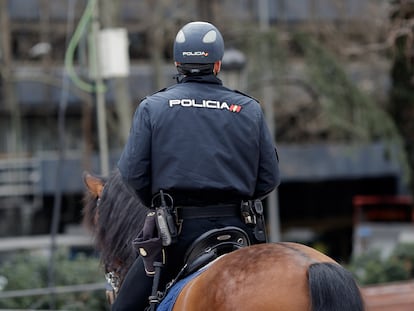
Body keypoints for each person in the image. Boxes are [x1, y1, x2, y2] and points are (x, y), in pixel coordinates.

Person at [114, 21, 280, 311]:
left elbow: (133, 175)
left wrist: (159, 206)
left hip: (178, 236)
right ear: (218, 64)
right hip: (240, 229)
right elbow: (268, 178)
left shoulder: (152, 108)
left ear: (177, 62)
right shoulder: (248, 108)